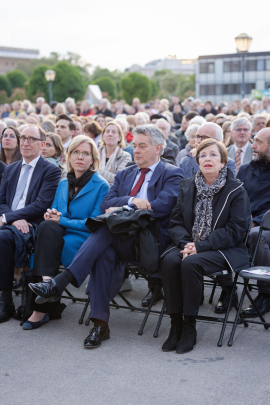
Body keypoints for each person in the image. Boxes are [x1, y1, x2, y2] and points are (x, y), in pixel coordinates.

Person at [29, 124, 184, 348]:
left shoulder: (171, 173)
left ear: (158, 148)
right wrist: (131, 201)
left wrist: (123, 210)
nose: (136, 150)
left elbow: (161, 207)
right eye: (134, 146)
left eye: (142, 146)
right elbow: (106, 204)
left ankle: (59, 284)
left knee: (105, 230)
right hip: (119, 237)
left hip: (149, 242)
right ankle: (100, 325)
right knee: (104, 249)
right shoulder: (125, 174)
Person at [161, 138, 250, 354]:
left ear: (222, 163)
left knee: (191, 263)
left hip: (224, 249)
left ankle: (190, 327)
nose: (207, 159)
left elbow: (236, 230)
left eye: (213, 155)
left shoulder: (236, 190)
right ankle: (176, 325)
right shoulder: (188, 185)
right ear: (197, 161)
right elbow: (176, 222)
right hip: (190, 244)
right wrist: (187, 243)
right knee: (169, 260)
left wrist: (199, 246)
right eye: (203, 155)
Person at [23, 136, 110, 329]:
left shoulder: (101, 185)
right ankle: (48, 286)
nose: (80, 157)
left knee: (44, 246)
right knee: (46, 227)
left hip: (82, 239)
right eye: (76, 152)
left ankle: (40, 308)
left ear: (93, 159)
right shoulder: (63, 183)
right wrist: (52, 214)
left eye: (86, 153)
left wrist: (60, 219)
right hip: (57, 235)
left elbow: (93, 223)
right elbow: (55, 210)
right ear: (69, 157)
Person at [0, 125, 61, 323]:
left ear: (42, 144)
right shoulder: (10, 169)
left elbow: (40, 205)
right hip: (13, 221)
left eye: (31, 139)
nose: (25, 143)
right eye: (23, 138)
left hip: (33, 225)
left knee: (2, 238)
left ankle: (6, 301)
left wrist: (9, 218)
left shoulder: (50, 170)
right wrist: (13, 217)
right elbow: (0, 201)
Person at [237, 128, 270, 318]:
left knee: (258, 235)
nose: (253, 146)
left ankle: (265, 293)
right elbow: (235, 199)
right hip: (242, 223)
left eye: (258, 142)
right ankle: (227, 292)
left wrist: (256, 222)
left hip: (265, 227)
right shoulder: (245, 169)